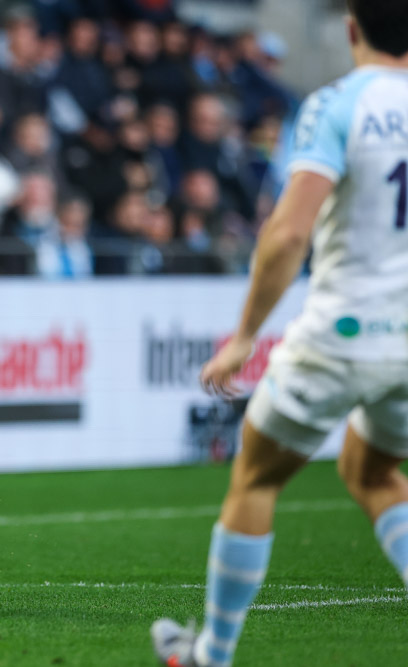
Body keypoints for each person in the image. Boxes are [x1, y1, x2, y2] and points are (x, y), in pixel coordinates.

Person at [152, 2, 408, 664]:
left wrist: (244, 336)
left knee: (257, 478)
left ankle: (213, 653)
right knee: (372, 467)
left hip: (344, 331)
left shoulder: (336, 104)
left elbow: (290, 229)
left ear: (352, 28)